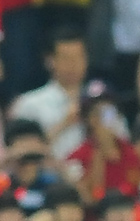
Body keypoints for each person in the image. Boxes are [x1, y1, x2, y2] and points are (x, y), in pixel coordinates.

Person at [10, 27, 89, 160]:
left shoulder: (102, 100)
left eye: (78, 57)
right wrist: (65, 123)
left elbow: (121, 141)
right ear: (50, 61)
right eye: (66, 58)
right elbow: (19, 153)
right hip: (49, 172)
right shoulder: (29, 104)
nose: (73, 64)